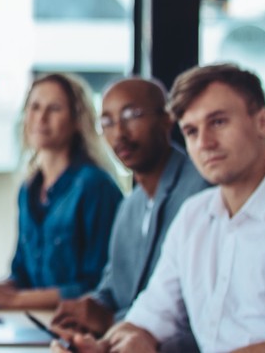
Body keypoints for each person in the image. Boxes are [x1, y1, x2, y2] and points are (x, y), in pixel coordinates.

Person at [54, 63, 265, 353]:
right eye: (191, 131)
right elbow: (150, 317)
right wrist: (104, 347)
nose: (205, 143)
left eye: (219, 122)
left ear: (263, 121)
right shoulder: (194, 214)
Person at [50, 78, 209, 341]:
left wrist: (111, 321)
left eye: (131, 115)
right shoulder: (129, 206)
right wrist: (88, 308)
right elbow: (110, 290)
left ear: (167, 119)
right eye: (107, 122)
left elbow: (194, 313)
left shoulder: (201, 192)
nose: (119, 133)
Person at [0, 73, 123, 309]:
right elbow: (21, 276)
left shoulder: (96, 186)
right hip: (33, 322)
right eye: (34, 107)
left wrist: (12, 300)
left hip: (75, 329)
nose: (41, 118)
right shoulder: (28, 189)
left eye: (54, 109)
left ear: (77, 120)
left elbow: (97, 286)